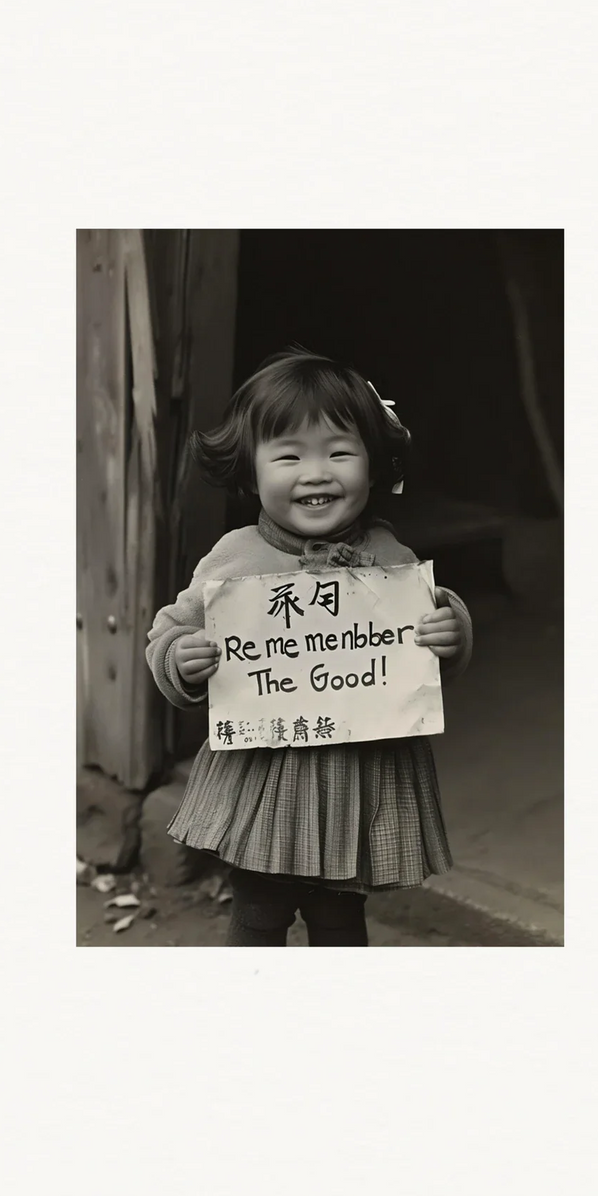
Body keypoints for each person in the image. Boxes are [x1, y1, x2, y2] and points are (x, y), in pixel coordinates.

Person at [145, 345, 474, 946]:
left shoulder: (391, 559)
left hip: (358, 780)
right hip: (267, 778)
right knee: (258, 912)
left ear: (374, 466)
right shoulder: (234, 559)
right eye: (289, 455)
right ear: (250, 471)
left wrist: (448, 631)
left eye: (340, 453)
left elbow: (417, 657)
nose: (316, 472)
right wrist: (181, 658)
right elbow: (170, 628)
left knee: (339, 918)